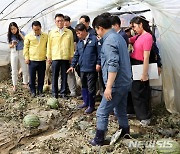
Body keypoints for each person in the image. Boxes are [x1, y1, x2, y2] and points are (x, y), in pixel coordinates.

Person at [90, 14, 132, 146]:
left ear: (100, 28)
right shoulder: (118, 37)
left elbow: (113, 65)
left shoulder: (109, 41)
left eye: (96, 30)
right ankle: (125, 132)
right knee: (120, 109)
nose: (97, 32)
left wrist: (108, 87)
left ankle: (99, 139)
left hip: (116, 83)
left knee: (102, 112)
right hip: (125, 81)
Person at [67, 23, 101, 114]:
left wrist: (98, 63)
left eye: (79, 33)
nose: (78, 35)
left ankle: (91, 105)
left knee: (91, 88)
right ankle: (85, 102)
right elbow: (76, 55)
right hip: (82, 68)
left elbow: (100, 53)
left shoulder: (94, 39)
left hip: (91, 68)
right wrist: (72, 66)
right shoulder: (80, 42)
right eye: (77, 34)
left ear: (85, 31)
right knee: (84, 86)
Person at [129, 16, 153, 126]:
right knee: (135, 91)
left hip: (141, 65)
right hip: (134, 64)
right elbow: (128, 39)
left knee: (140, 92)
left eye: (134, 26)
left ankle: (145, 117)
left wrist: (144, 73)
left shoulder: (147, 37)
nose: (133, 29)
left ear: (141, 25)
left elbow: (146, 57)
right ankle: (137, 112)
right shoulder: (138, 36)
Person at [47, 13, 74, 99]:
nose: (60, 22)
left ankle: (63, 92)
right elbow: (49, 46)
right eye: (58, 21)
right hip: (55, 57)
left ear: (64, 21)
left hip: (65, 57)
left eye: (61, 21)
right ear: (55, 22)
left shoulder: (69, 32)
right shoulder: (52, 33)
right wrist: (49, 57)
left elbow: (71, 46)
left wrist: (71, 56)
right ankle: (54, 93)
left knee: (64, 76)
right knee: (54, 75)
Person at [23, 21, 48, 97]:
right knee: (32, 77)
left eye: (38, 29)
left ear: (40, 28)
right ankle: (33, 91)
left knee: (41, 76)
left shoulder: (45, 36)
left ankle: (40, 91)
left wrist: (47, 56)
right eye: (35, 30)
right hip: (32, 60)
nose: (36, 31)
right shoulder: (28, 36)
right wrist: (26, 58)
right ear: (32, 29)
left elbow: (48, 46)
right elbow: (26, 48)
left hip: (42, 59)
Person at [7, 22, 28, 92]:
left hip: (22, 51)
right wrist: (12, 45)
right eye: (11, 29)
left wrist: (19, 33)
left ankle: (25, 83)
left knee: (25, 68)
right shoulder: (10, 35)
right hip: (14, 52)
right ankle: (14, 85)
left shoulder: (22, 33)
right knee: (14, 69)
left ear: (17, 28)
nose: (13, 30)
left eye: (14, 29)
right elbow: (9, 45)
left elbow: (26, 40)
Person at [64, 15, 78, 97]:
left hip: (70, 55)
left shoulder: (72, 31)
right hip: (62, 56)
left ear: (69, 22)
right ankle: (63, 88)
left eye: (66, 21)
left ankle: (73, 90)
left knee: (71, 73)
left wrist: (73, 55)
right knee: (62, 73)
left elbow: (74, 43)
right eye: (64, 21)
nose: (65, 23)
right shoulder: (60, 31)